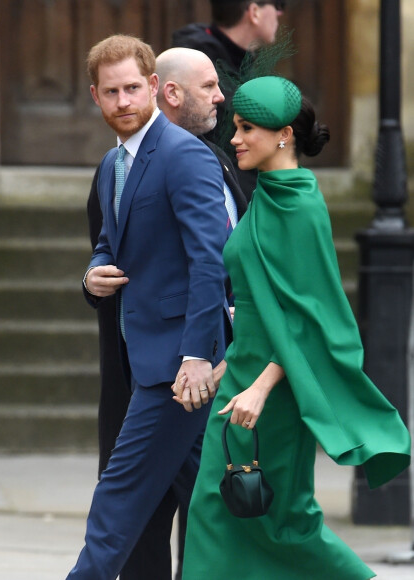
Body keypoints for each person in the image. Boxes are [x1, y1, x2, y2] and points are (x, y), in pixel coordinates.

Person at [173, 76, 411, 579]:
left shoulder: (300, 205)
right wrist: (222, 370)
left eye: (247, 128)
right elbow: (265, 307)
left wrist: (258, 388)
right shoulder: (268, 195)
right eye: (235, 126)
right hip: (241, 383)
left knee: (283, 520)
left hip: (271, 395)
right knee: (223, 517)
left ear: (283, 134)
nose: (234, 138)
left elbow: (312, 318)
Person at [68, 34, 230, 580]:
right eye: (111, 92)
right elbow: (114, 242)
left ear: (156, 88)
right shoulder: (116, 162)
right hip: (144, 360)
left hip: (177, 369)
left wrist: (194, 357)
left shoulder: (185, 155)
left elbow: (211, 263)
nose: (123, 102)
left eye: (133, 88)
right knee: (217, 511)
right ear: (96, 96)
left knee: (116, 501)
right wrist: (94, 274)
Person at [172, 0, 286, 198]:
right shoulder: (197, 65)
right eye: (278, 4)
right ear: (255, 12)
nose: (280, 13)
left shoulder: (244, 61)